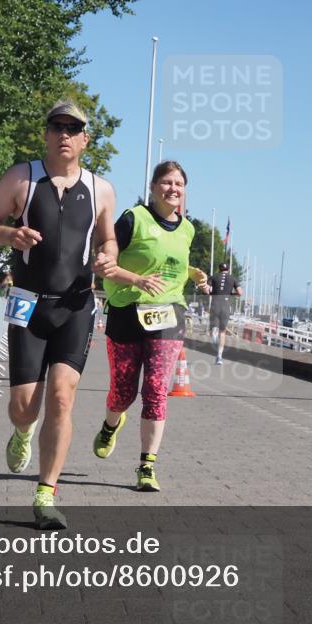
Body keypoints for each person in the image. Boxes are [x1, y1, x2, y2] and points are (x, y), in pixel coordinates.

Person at [0, 99, 117, 529]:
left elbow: (108, 241)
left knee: (62, 396)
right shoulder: (22, 177)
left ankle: (46, 492)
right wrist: (10, 233)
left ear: (85, 140)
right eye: (57, 126)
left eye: (73, 128)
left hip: (76, 305)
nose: (64, 134)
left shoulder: (100, 189)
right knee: (24, 407)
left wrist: (107, 258)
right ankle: (22, 432)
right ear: (46, 133)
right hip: (26, 301)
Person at [91, 161, 210, 492]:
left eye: (180, 184)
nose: (174, 188)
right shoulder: (133, 219)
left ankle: (147, 466)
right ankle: (110, 424)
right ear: (154, 186)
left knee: (157, 388)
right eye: (167, 182)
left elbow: (172, 263)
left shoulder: (187, 229)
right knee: (123, 392)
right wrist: (137, 280)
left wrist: (192, 273)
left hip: (169, 315)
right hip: (127, 311)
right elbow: (103, 264)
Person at [208, 262, 242, 364]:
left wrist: (212, 292)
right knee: (222, 332)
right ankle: (219, 357)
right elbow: (240, 292)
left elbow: (208, 290)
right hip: (226, 306)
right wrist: (232, 293)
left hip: (215, 304)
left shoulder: (213, 277)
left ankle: (214, 333)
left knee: (213, 327)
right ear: (228, 269)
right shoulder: (233, 278)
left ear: (219, 269)